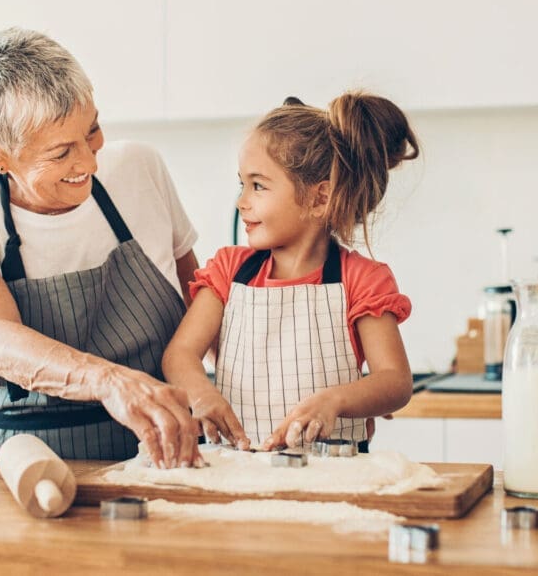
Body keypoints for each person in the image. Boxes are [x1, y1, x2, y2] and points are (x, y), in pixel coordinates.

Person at [0, 27, 201, 467]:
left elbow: (199, 301)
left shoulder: (140, 168)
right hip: (18, 462)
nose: (88, 163)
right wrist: (109, 382)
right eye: (61, 152)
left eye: (93, 132)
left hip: (160, 451)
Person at [162, 92, 419, 452]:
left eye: (258, 185)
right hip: (239, 467)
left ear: (320, 199)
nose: (242, 201)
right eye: (242, 184)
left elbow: (395, 381)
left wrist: (334, 401)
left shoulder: (361, 280)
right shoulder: (228, 271)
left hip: (334, 472)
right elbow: (180, 354)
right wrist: (201, 394)